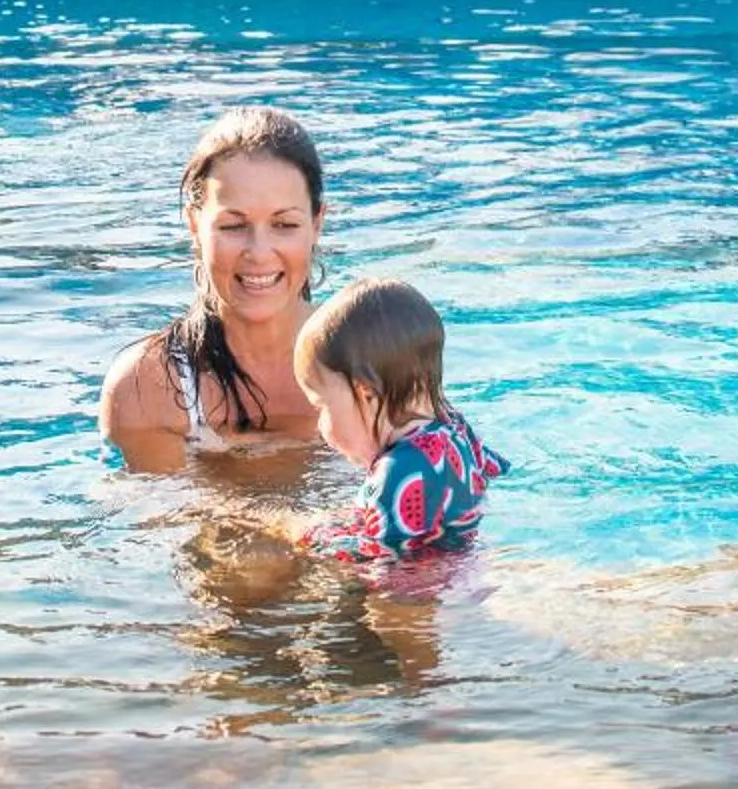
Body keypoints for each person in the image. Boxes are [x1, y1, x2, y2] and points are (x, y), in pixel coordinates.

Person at [99, 107, 328, 471]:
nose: (258, 252)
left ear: (317, 223)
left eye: (284, 224)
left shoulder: (374, 360)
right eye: (233, 227)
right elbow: (171, 522)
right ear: (194, 225)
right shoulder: (147, 388)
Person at [292, 279, 505, 567]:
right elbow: (494, 469)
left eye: (321, 406)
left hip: (438, 586)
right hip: (471, 562)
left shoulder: (395, 473)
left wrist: (316, 540)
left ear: (365, 392)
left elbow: (383, 560)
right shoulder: (452, 423)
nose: (320, 425)